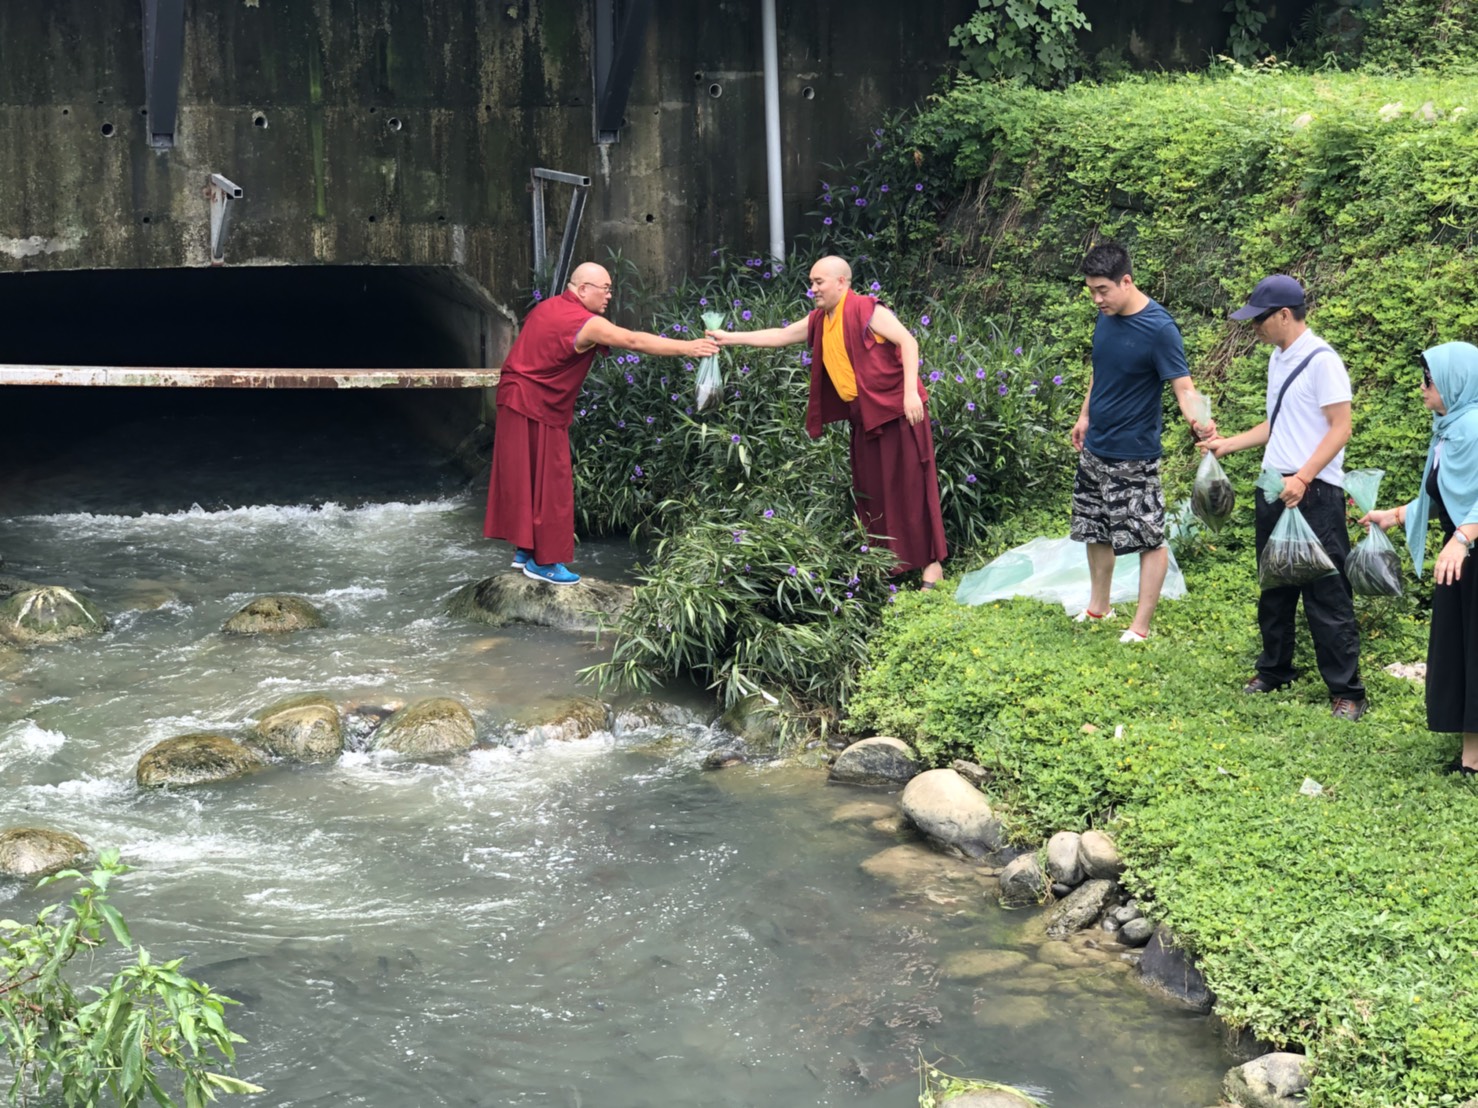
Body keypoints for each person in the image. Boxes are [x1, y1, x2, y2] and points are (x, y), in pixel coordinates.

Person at [707, 255, 946, 587]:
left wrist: (909, 392)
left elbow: (908, 341)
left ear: (841, 283)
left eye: (819, 282)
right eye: (811, 282)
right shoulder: (821, 319)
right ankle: (888, 561)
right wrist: (727, 338)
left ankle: (932, 565)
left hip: (898, 410)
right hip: (865, 415)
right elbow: (780, 335)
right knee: (873, 490)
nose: (813, 289)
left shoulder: (867, 310)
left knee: (912, 484)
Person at [483, 262, 717, 584]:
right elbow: (633, 341)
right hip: (537, 405)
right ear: (582, 290)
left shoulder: (546, 308)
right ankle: (544, 562)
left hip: (513, 400)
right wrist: (689, 348)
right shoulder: (587, 324)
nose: (610, 295)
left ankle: (526, 551)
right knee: (552, 484)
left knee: (527, 480)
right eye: (604, 288)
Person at [1200, 274, 1367, 721]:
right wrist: (1228, 444)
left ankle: (1348, 691)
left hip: (1314, 494)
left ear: (1284, 315)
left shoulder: (1322, 361)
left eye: (1259, 320)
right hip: (1274, 487)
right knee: (1274, 587)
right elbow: (1279, 424)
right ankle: (1275, 669)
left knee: (1326, 593)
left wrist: (1305, 477)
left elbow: (1341, 427)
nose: (1254, 328)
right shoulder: (1279, 358)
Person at [1070, 242, 1212, 643]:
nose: (1097, 299)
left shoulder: (1159, 328)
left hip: (1133, 453)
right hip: (1096, 446)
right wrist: (1084, 416)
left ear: (1126, 281)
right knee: (1094, 528)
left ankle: (1141, 626)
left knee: (1149, 537)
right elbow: (1101, 371)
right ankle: (1099, 607)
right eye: (1091, 290)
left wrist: (1201, 421)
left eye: (1103, 290)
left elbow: (1183, 387)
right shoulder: (1105, 316)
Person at [1360, 342, 1478, 767]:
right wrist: (1394, 515)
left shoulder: (1475, 427)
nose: (1422, 387)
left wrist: (1463, 538)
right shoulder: (1448, 429)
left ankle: (1472, 759)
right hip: (1460, 558)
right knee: (1462, 651)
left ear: (1454, 382)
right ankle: (1472, 755)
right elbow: (1446, 496)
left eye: (1429, 380)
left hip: (1465, 552)